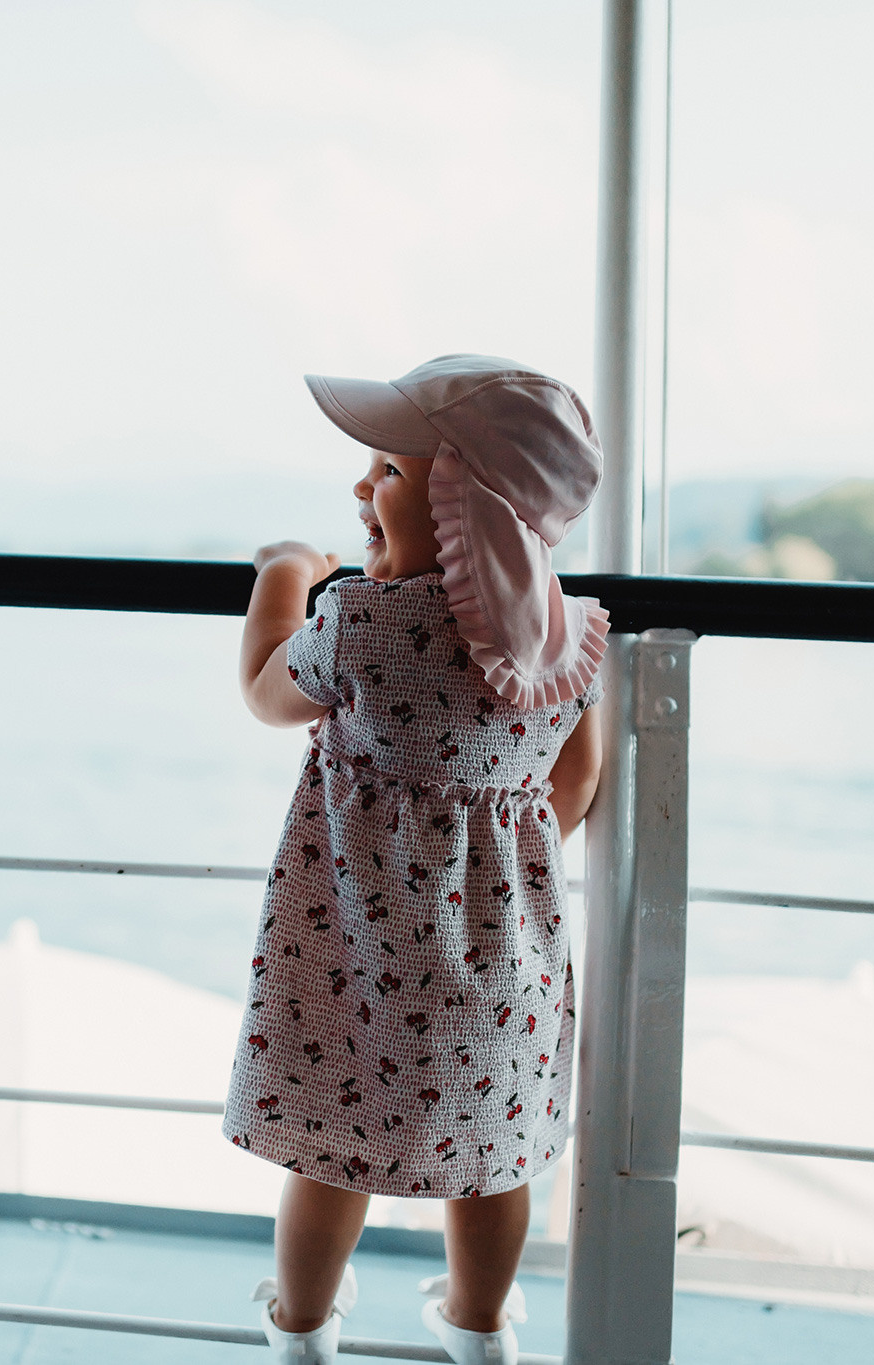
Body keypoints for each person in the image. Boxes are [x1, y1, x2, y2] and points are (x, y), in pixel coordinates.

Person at [226, 355, 609, 1365]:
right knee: (490, 1161)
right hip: (501, 967)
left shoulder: (356, 621)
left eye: (388, 473)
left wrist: (281, 577)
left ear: (458, 503)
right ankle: (478, 1329)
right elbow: (571, 787)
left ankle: (301, 1334)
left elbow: (267, 694)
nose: (362, 488)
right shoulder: (570, 643)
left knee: (329, 1151)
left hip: (353, 951)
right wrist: (475, 869)